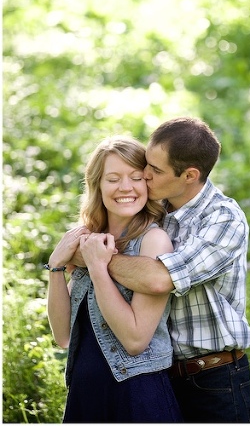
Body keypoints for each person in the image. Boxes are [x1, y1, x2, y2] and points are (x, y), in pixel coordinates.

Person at [73, 117, 250, 422]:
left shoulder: (223, 220)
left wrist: (94, 257)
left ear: (189, 175)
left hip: (214, 378)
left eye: (154, 170)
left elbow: (159, 279)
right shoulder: (160, 211)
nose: (144, 176)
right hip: (160, 373)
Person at [46, 136, 183, 422]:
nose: (126, 187)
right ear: (97, 185)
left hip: (136, 396)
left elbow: (135, 340)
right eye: (113, 178)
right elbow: (63, 336)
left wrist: (98, 268)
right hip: (86, 393)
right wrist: (56, 266)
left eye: (136, 177)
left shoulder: (153, 241)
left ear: (148, 183)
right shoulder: (88, 239)